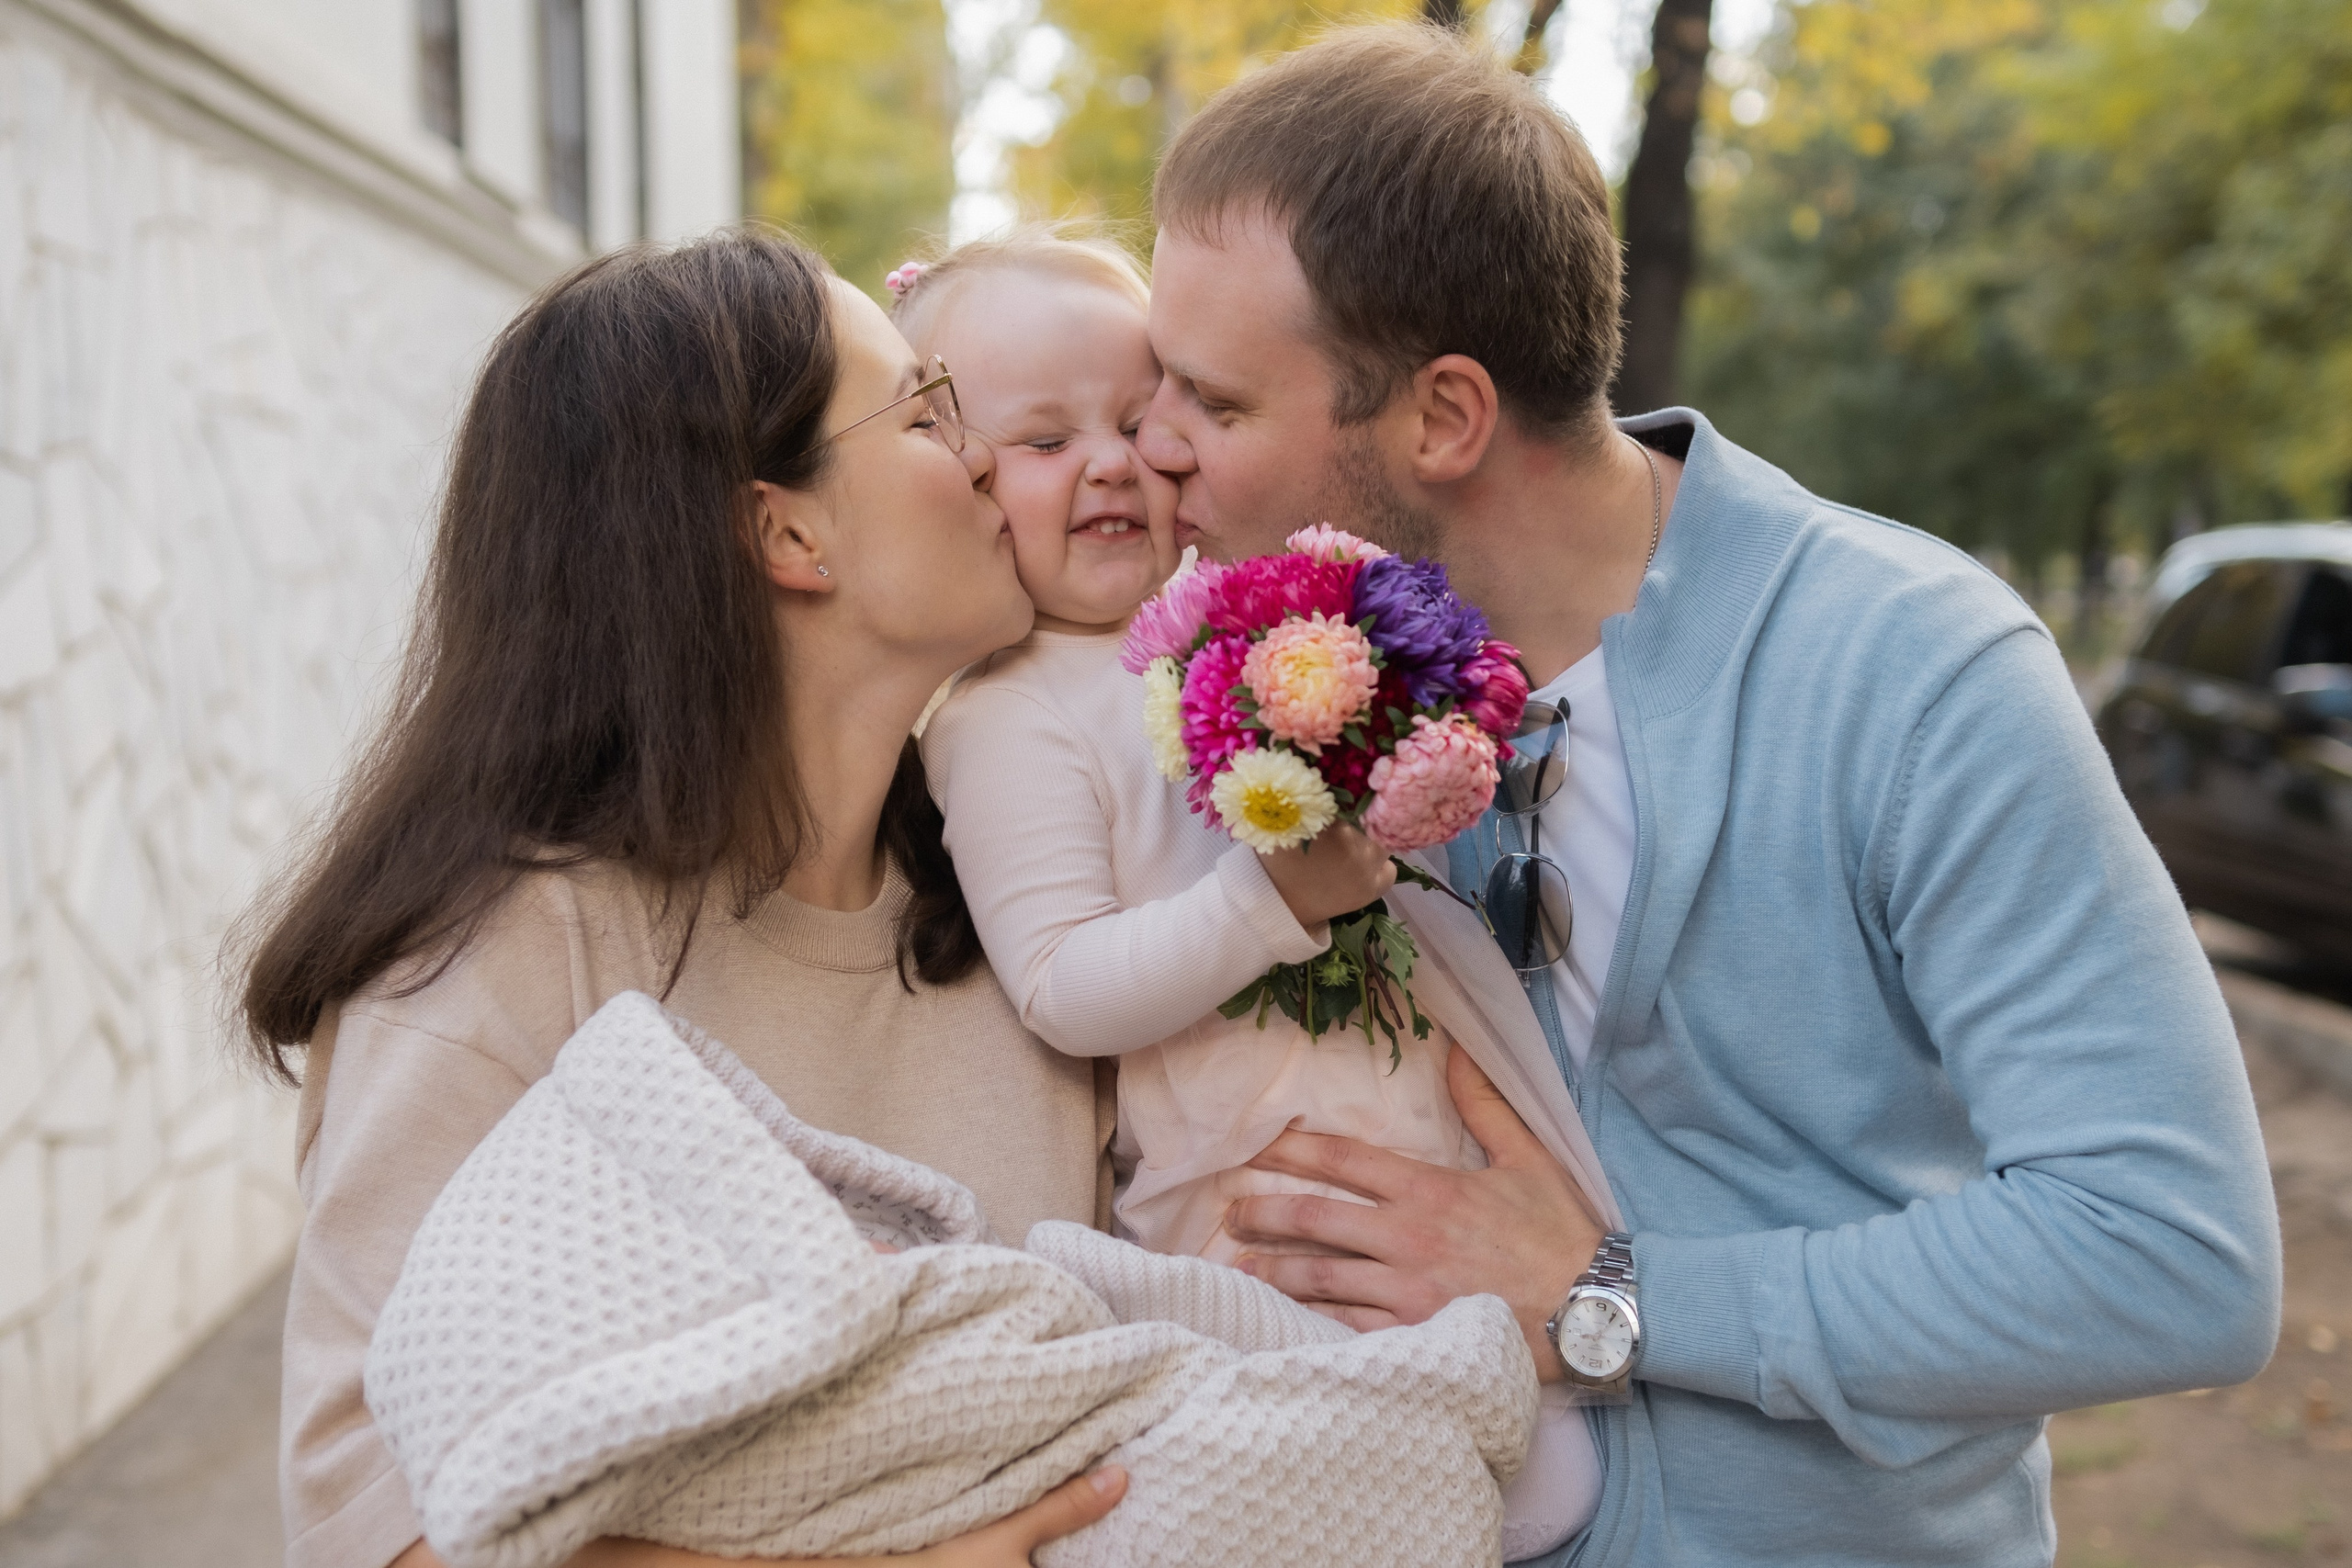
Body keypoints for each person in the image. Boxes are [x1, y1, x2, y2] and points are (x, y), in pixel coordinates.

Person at [1132, 25, 2284, 1567]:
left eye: (1212, 404)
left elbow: (2168, 1255)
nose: (1152, 451)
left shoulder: (1913, 671)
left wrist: (1624, 1300)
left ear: (1442, 419)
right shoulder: (1284, 682)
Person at [236, 227, 1125, 1568]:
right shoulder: (508, 957)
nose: (989, 454)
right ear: (786, 529)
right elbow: (378, 1522)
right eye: (929, 410)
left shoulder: (1034, 920)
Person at [898, 230, 1607, 1558]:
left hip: (1389, 1075)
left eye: (1138, 417)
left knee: (1523, 1417)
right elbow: (1062, 985)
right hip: (1233, 1158)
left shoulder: (1240, 606)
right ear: (961, 479)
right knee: (1320, 1420)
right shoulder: (1004, 721)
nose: (1113, 461)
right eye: (1046, 443)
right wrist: (1270, 897)